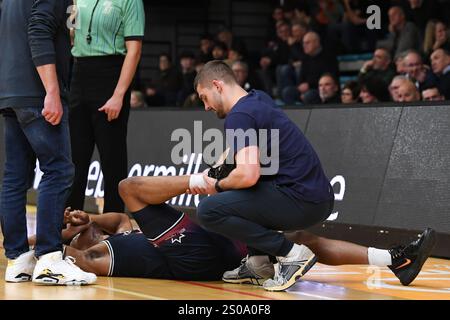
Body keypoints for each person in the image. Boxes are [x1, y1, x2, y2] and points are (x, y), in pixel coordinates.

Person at [56, 174, 436, 288]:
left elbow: (118, 220)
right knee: (128, 188)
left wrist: (87, 222)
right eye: (71, 230)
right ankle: (200, 180)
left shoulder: (120, 233)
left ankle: (395, 259)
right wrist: (61, 244)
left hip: (217, 253)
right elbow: (83, 258)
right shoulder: (101, 257)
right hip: (189, 257)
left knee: (298, 243)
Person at [189, 60, 335, 292]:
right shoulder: (258, 98)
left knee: (209, 209)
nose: (206, 107)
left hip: (301, 198)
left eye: (204, 97)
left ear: (217, 85)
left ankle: (291, 254)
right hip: (317, 194)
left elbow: (248, 175)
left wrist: (217, 184)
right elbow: (238, 154)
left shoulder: (238, 116)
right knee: (231, 193)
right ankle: (258, 264)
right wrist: (216, 168)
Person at [0, 0, 96, 285]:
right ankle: (50, 258)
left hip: (11, 90)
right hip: (36, 91)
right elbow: (39, 29)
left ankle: (18, 259)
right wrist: (52, 90)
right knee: (59, 170)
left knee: (15, 177)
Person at [67, 0, 145, 213]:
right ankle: (69, 224)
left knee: (112, 160)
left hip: (111, 75)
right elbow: (70, 36)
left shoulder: (131, 1)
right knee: (75, 160)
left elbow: (134, 50)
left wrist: (118, 95)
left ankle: (114, 227)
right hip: (79, 74)